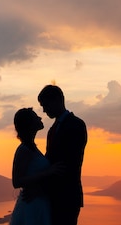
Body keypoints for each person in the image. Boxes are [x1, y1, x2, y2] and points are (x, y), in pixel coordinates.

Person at [38, 85, 88, 225]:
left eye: (45, 105)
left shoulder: (76, 124)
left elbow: (70, 161)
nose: (44, 110)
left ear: (56, 100)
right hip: (53, 195)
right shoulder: (52, 129)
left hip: (67, 195)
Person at [9, 108, 56, 225]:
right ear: (29, 124)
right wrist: (47, 173)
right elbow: (17, 181)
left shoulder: (32, 148)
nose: (40, 118)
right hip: (31, 205)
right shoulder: (24, 150)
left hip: (38, 201)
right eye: (36, 117)